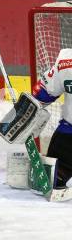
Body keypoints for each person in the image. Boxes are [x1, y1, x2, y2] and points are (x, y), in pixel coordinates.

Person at [31, 48, 72, 188]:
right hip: (69, 134)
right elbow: (42, 94)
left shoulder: (67, 62)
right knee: (52, 178)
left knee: (52, 179)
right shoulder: (66, 63)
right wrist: (27, 108)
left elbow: (42, 94)